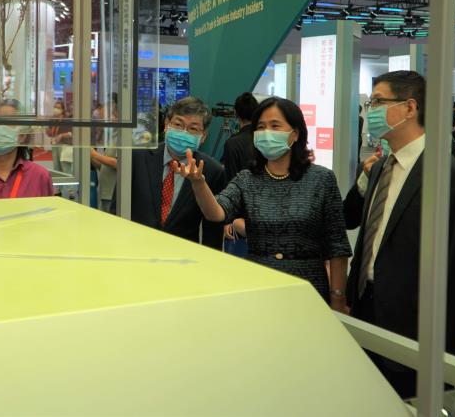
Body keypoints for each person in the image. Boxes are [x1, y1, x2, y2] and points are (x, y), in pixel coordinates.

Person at [344, 71, 455, 398]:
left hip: (415, 327)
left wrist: (438, 342)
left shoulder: (447, 175)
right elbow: (365, 231)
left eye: (378, 102)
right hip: (367, 310)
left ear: (410, 107)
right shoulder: (380, 167)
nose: (371, 111)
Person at [174, 97, 352, 310]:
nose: (267, 132)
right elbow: (217, 213)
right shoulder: (247, 179)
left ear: (295, 134)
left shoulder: (321, 179)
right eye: (261, 127)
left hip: (308, 286)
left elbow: (337, 245)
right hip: (259, 284)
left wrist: (338, 297)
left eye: (275, 126)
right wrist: (199, 183)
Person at [130, 96, 226, 249]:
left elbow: (213, 229)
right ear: (166, 125)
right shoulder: (138, 157)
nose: (183, 132)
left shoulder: (212, 171)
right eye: (178, 124)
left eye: (193, 128)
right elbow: (117, 208)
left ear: (203, 137)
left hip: (183, 254)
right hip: (136, 248)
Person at [221, 92, 258, 257]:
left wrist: (228, 221)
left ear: (236, 114)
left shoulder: (232, 143)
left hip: (238, 222)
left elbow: (230, 182)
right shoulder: (262, 141)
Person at [46, 100, 73, 175]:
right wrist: (46, 129)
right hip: (55, 145)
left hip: (64, 146)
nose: (56, 109)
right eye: (55, 107)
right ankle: (58, 182)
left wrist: (61, 135)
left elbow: (71, 133)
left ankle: (67, 182)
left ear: (62, 110)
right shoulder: (52, 120)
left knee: (65, 167)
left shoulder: (67, 120)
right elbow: (50, 134)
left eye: (58, 108)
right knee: (56, 167)